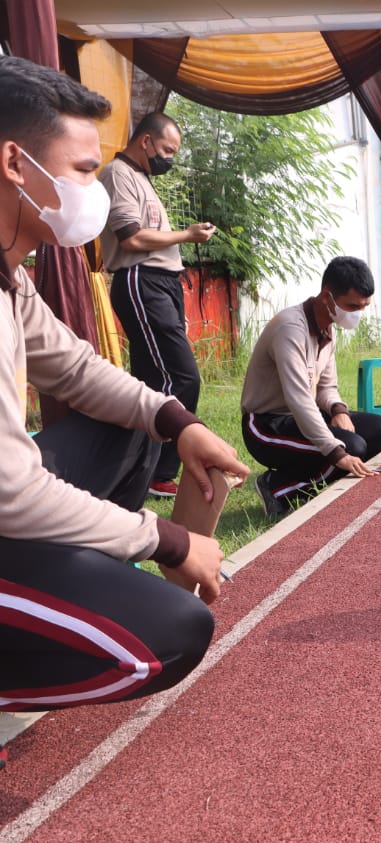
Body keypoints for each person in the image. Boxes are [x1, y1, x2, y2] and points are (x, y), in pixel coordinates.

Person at [0, 56, 250, 710]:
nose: (95, 189)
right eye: (84, 171)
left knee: (140, 423)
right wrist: (168, 538)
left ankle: (70, 580)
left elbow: (77, 370)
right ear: (13, 164)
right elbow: (11, 492)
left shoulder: (9, 273)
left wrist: (180, 421)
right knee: (170, 632)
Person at [100, 112, 216, 498]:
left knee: (151, 381)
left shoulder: (141, 179)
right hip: (140, 280)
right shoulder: (118, 173)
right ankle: (161, 472)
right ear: (146, 141)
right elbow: (131, 238)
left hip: (160, 283)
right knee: (180, 378)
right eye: (167, 150)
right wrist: (187, 235)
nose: (169, 158)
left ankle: (139, 470)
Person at [241, 257, 381, 517]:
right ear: (327, 297)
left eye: (364, 306)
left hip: (301, 417)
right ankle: (278, 487)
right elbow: (299, 398)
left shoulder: (327, 327)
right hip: (267, 427)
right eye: (352, 306)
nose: (358, 313)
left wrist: (338, 410)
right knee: (351, 448)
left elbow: (326, 386)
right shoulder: (291, 329)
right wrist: (336, 452)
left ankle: (297, 480)